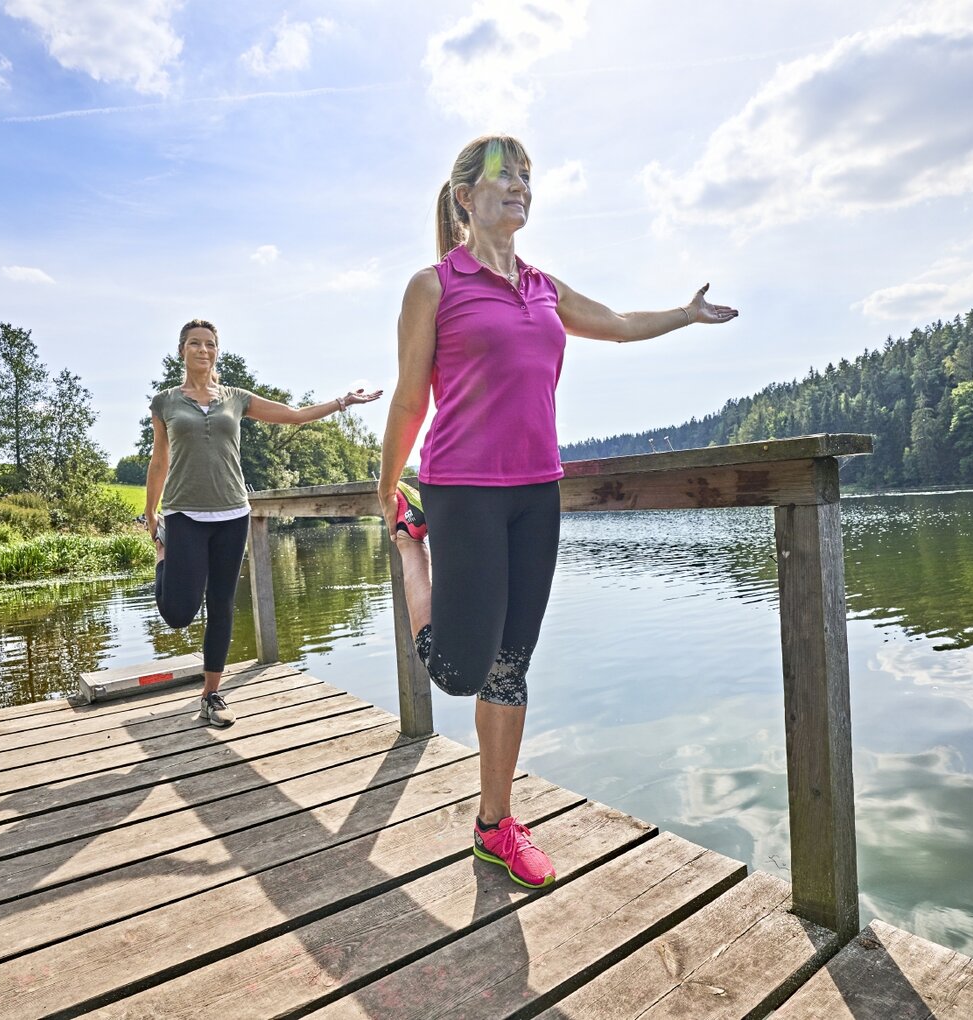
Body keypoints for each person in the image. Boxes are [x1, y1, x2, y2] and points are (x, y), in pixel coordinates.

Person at [377, 135, 738, 888]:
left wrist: (683, 313)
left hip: (537, 493)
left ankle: (493, 825)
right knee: (455, 669)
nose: (522, 187)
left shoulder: (542, 286)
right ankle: (413, 551)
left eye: (529, 178)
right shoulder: (434, 285)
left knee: (511, 665)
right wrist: (388, 484)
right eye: (506, 177)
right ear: (465, 198)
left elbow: (613, 322)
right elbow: (411, 394)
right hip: (463, 491)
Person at [147, 319, 383, 726]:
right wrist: (152, 512)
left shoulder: (235, 398)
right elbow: (159, 459)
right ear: (181, 350)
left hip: (233, 513)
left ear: (216, 351)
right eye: (195, 344)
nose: (203, 350)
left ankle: (211, 695)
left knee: (221, 605)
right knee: (179, 614)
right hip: (183, 513)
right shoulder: (165, 402)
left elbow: (293, 416)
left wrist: (342, 401)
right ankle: (162, 556)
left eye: (210, 344)